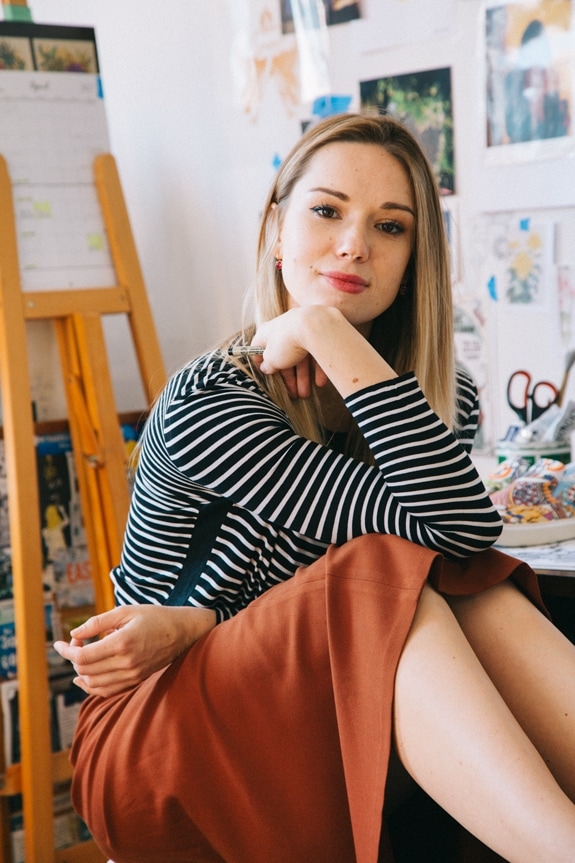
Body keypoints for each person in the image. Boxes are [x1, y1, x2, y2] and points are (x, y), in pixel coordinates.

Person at [54, 113, 575, 863]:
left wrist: (344, 350)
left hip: (336, 704)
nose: (354, 244)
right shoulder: (213, 398)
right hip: (158, 736)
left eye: (389, 227)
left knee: (470, 585)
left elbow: (458, 537)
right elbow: (443, 533)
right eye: (326, 211)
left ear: (412, 257)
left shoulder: (440, 397)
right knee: (388, 571)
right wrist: (327, 328)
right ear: (275, 229)